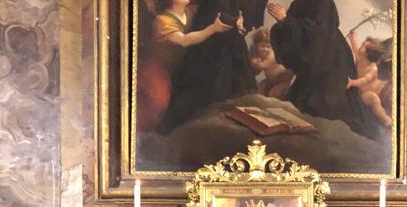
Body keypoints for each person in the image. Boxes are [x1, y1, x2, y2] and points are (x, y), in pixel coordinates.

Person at [267, 0, 377, 139]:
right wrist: (283, 24)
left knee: (329, 112)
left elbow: (318, 31)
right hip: (315, 64)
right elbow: (296, 32)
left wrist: (286, 20)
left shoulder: (324, 3)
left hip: (331, 61)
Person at [157, 1, 257, 133]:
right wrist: (215, 27)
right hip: (170, 70)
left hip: (218, 50)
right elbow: (184, 40)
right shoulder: (164, 21)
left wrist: (235, 22)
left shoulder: (189, 12)